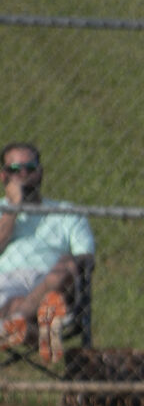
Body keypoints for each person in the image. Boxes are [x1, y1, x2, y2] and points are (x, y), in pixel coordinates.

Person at [0, 143, 93, 364]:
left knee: (67, 265)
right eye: (15, 169)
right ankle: (40, 332)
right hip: (6, 280)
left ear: (40, 172)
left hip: (50, 281)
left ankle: (16, 324)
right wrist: (14, 207)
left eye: (30, 168)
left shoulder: (66, 212)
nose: (23, 175)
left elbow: (87, 257)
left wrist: (69, 267)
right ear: (3, 175)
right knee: (16, 305)